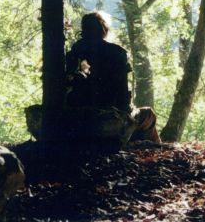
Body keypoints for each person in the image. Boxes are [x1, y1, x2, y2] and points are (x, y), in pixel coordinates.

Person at [66, 12, 161, 143]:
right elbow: (123, 93)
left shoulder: (75, 51)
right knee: (148, 114)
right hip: (109, 112)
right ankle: (156, 150)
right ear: (103, 29)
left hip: (79, 110)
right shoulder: (117, 52)